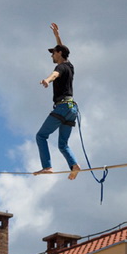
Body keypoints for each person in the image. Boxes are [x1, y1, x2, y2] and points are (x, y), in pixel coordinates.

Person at [34, 23, 81, 180]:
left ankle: (47, 166)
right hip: (72, 109)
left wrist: (47, 80)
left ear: (59, 54)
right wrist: (57, 36)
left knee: (41, 136)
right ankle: (74, 165)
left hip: (62, 108)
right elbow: (63, 50)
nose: (51, 56)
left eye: (53, 53)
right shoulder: (70, 66)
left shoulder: (60, 68)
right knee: (63, 145)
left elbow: (54, 75)